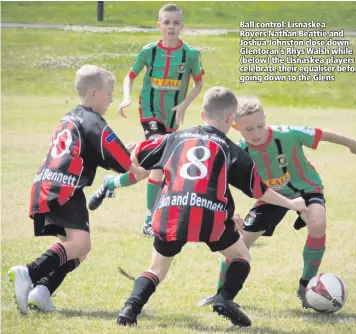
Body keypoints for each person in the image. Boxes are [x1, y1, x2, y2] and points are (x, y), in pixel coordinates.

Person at [116, 87, 308, 327]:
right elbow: (260, 191)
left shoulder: (174, 138)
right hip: (210, 216)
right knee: (241, 256)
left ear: (203, 113)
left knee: (156, 269)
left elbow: (134, 156)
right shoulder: (230, 148)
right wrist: (291, 202)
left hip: (170, 212)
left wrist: (131, 157)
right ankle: (224, 298)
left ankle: (129, 309)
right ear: (230, 118)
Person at [197, 95, 356, 308]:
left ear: (265, 118)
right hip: (271, 197)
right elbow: (219, 182)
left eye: (260, 126)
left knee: (317, 222)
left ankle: (306, 287)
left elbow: (321, 134)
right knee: (238, 244)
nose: (256, 134)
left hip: (305, 189)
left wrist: (351, 143)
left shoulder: (287, 134)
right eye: (249, 130)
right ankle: (221, 293)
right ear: (235, 127)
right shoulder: (238, 151)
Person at [8, 64, 147, 315]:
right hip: (65, 187)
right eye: (109, 93)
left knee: (77, 248)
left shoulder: (72, 116)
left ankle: (42, 291)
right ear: (94, 93)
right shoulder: (94, 121)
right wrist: (140, 169)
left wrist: (126, 156)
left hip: (48, 183)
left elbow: (98, 151)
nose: (111, 98)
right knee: (79, 243)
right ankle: (28, 272)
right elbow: (121, 159)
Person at [88, 3, 204, 238]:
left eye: (176, 23)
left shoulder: (190, 55)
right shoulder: (149, 52)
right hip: (149, 112)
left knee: (148, 169)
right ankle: (150, 220)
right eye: (167, 22)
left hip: (172, 118)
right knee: (161, 161)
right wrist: (127, 99)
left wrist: (184, 105)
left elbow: (199, 83)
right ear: (159, 24)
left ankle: (112, 184)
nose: (171, 27)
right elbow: (129, 77)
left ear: (182, 26)